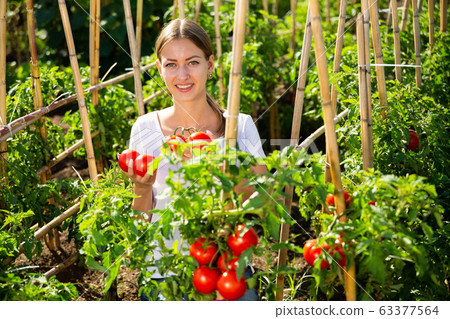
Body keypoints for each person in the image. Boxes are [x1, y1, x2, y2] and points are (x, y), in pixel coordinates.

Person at [126, 19, 265, 301]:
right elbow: (140, 223)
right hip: (164, 270)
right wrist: (141, 189)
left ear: (210, 65)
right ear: (159, 69)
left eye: (192, 62)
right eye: (171, 64)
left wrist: (225, 165)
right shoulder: (144, 128)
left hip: (228, 268)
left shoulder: (240, 126)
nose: (182, 75)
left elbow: (258, 207)